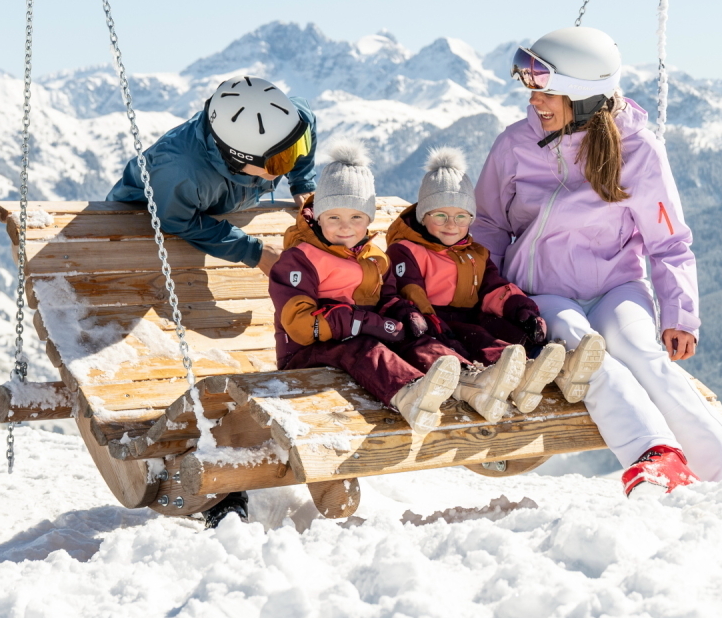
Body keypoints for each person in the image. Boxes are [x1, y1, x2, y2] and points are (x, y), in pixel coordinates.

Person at [472, 26, 722, 498]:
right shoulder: (515, 144)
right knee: (588, 356)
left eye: (547, 91)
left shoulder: (639, 151)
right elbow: (489, 225)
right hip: (541, 292)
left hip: (614, 287)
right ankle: (655, 457)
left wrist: (680, 314)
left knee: (642, 354)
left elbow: (668, 243)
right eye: (531, 86)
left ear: (583, 98)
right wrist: (483, 297)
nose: (534, 100)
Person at [267, 141, 494, 438]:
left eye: (356, 218)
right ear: (317, 216)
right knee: (364, 348)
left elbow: (387, 298)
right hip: (305, 353)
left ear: (368, 219)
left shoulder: (374, 257)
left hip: (358, 337)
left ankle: (468, 382)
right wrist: (362, 322)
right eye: (334, 217)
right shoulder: (300, 259)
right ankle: (410, 396)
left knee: (415, 338)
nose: (345, 227)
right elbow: (301, 325)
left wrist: (404, 313)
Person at [384, 147, 569, 419]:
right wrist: (432, 325)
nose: (451, 225)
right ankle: (504, 374)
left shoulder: (475, 253)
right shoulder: (407, 250)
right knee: (476, 338)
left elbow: (494, 287)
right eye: (440, 215)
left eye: (461, 216)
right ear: (423, 215)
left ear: (471, 219)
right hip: (432, 323)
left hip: (469, 317)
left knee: (502, 329)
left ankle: (540, 368)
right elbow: (411, 291)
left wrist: (522, 311)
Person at [108, 75, 316, 272]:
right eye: (279, 162)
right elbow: (177, 220)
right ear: (237, 159)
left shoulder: (291, 120)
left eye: (297, 147)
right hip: (141, 218)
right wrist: (254, 251)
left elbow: (308, 120)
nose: (290, 163)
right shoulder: (181, 172)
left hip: (215, 202)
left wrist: (302, 182)